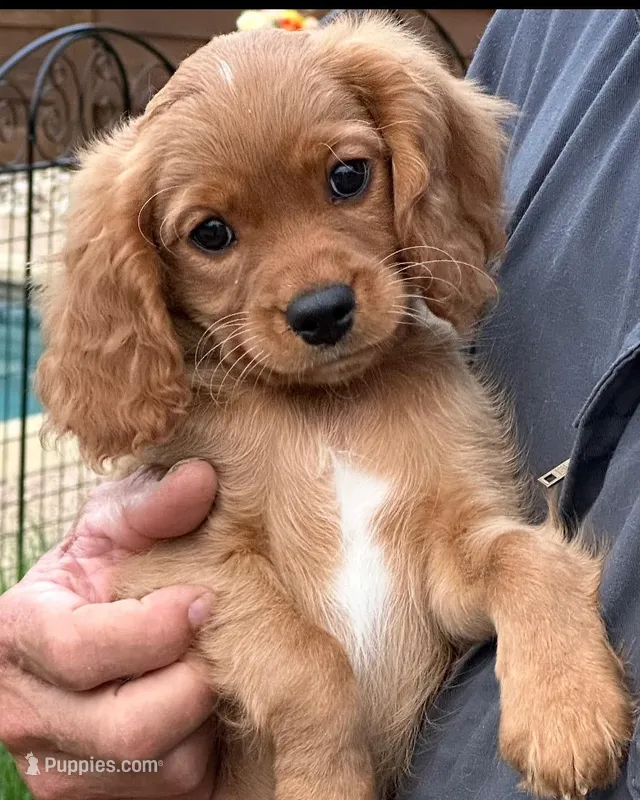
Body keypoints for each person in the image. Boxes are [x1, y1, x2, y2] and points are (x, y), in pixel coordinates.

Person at [1, 8, 639, 799]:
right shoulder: (207, 440)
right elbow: (180, 572)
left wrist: (536, 588)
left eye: (346, 179)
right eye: (212, 235)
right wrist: (311, 715)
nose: (313, 289)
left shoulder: (437, 391)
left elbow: (464, 556)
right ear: (149, 270)